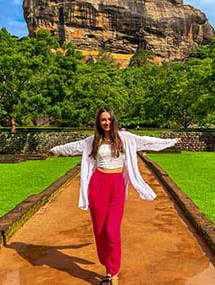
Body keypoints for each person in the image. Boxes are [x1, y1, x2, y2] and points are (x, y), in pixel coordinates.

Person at [48, 106, 181, 285]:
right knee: (100, 230)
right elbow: (73, 147)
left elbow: (147, 141)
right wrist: (55, 150)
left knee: (111, 230)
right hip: (97, 185)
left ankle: (113, 273)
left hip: (116, 186)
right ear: (99, 122)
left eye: (109, 119)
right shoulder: (93, 141)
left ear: (114, 120)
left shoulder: (125, 138)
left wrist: (170, 141)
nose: (107, 122)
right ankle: (107, 265)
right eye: (103, 119)